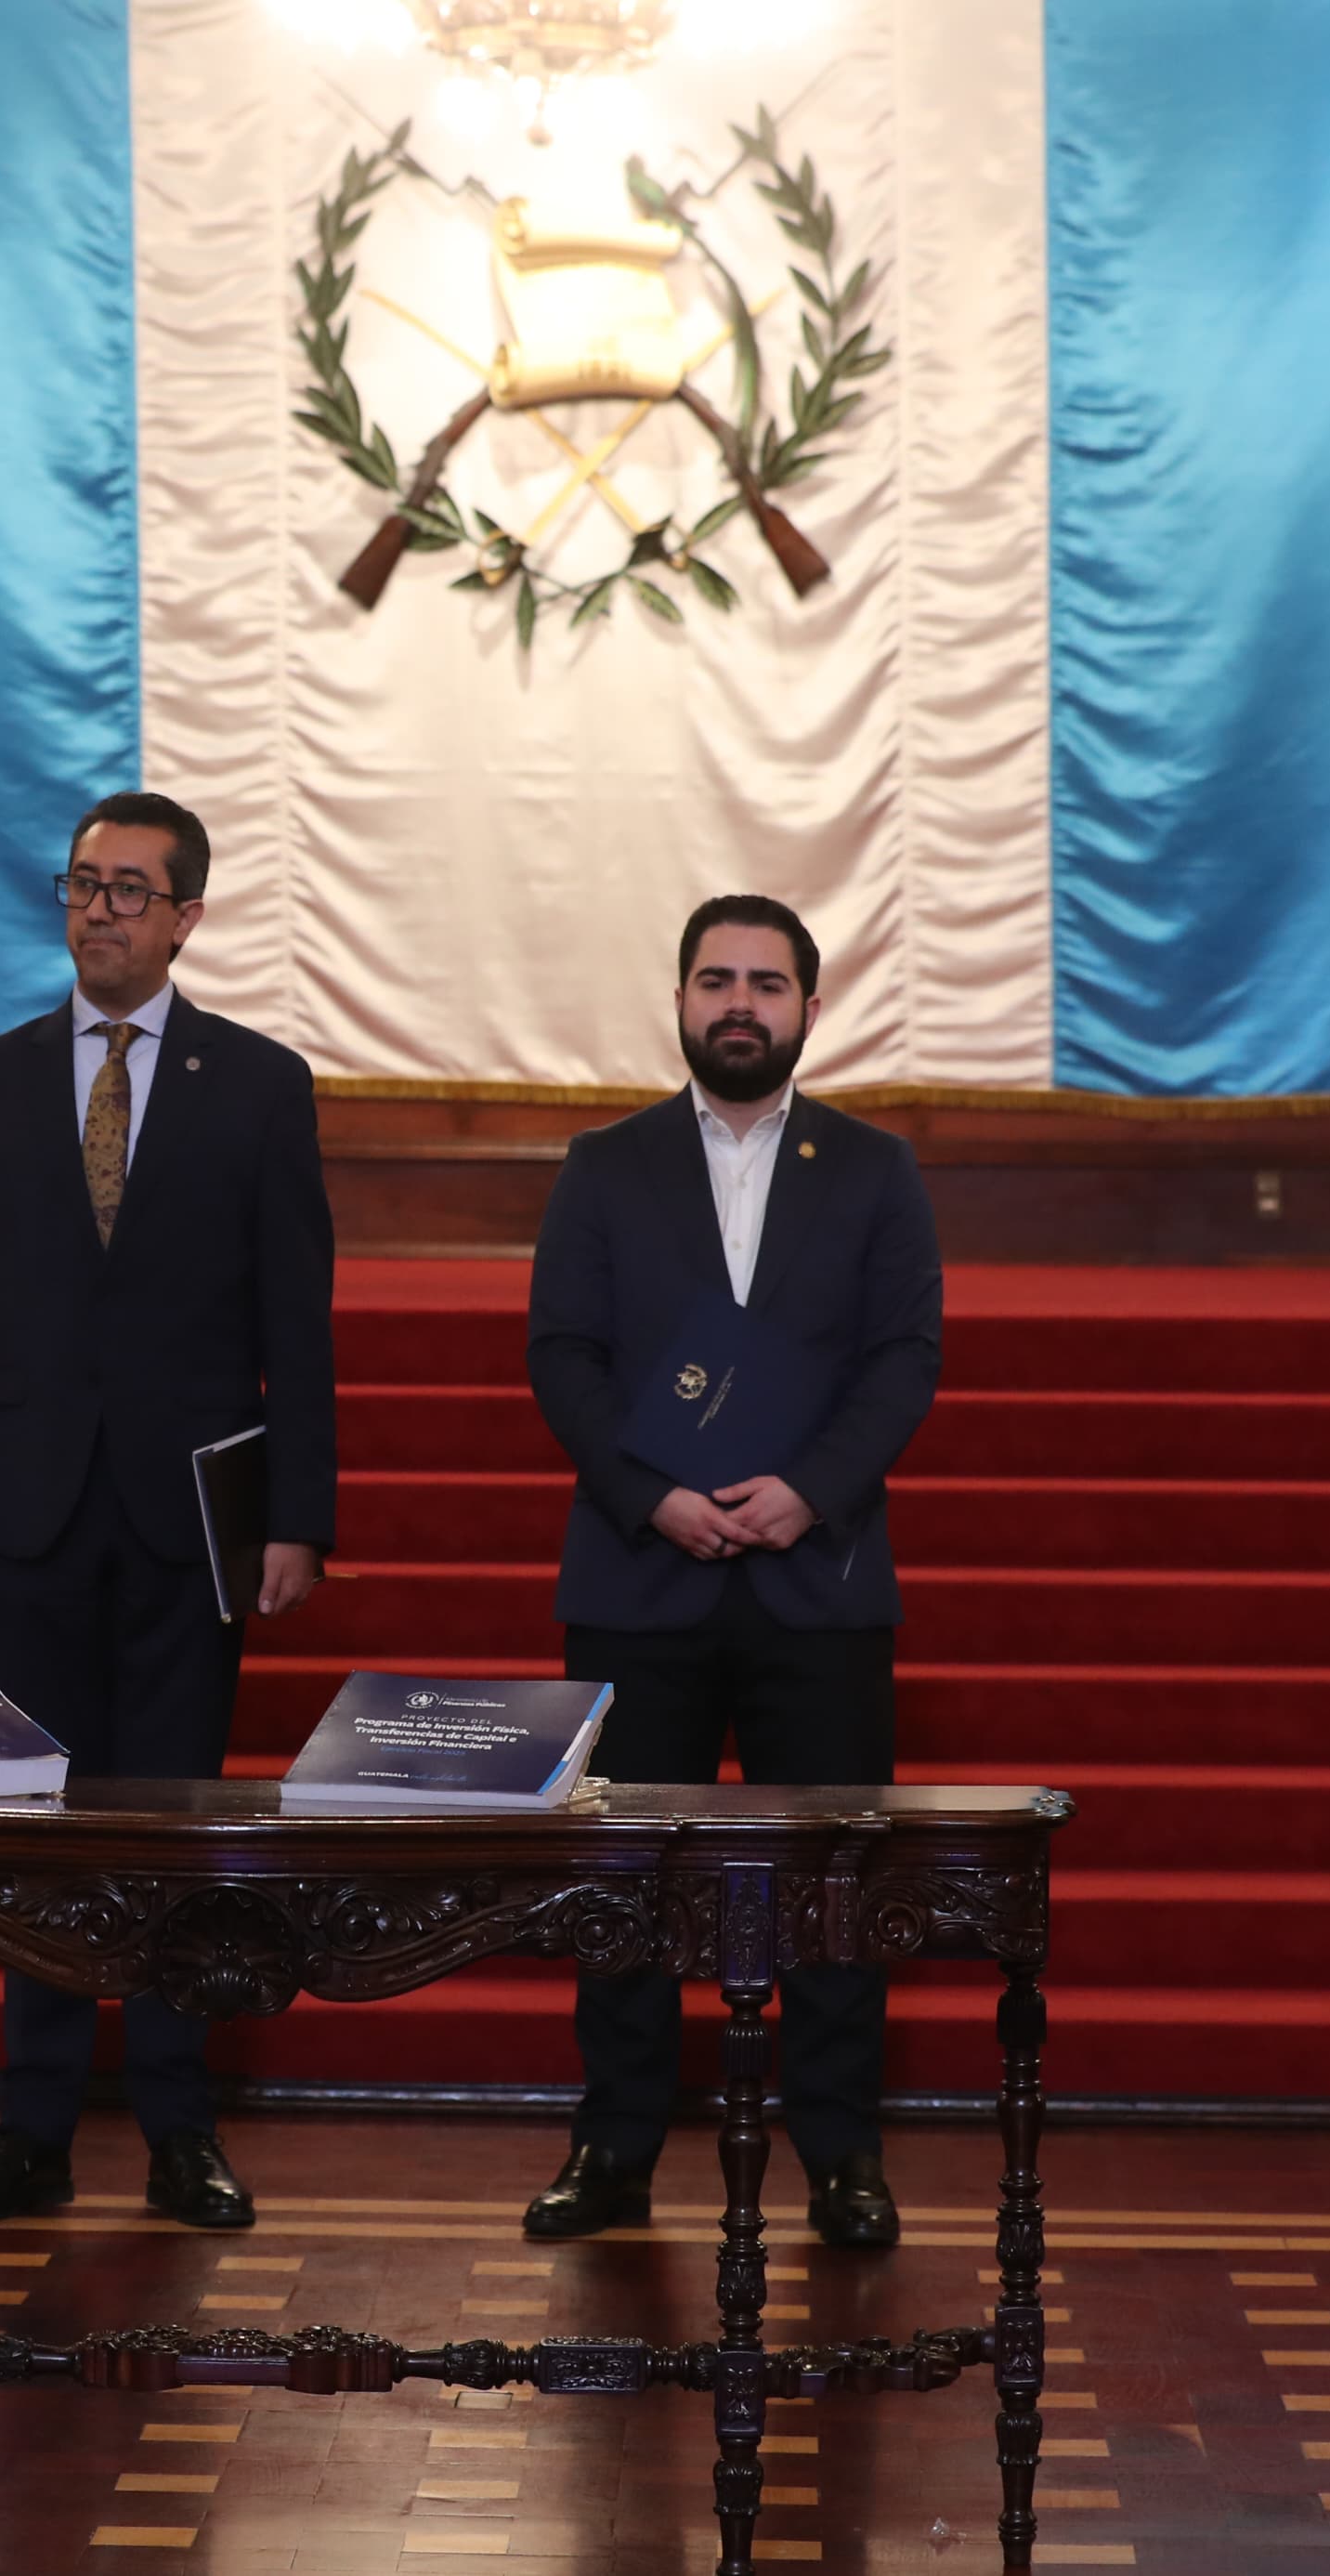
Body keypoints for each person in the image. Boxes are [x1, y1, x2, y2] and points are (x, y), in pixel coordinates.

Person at [0, 791, 336, 2232]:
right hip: (27, 1517)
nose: (100, 909)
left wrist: (298, 1515)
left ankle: (176, 2129)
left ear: (188, 916)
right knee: (34, 1832)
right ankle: (29, 2130)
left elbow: (300, 1321)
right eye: (82, 884)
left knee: (170, 1831)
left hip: (188, 1524)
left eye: (131, 890)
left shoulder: (261, 1085)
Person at [518, 894, 943, 2250]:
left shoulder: (876, 1170)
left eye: (768, 981)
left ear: (812, 1007)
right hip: (642, 1576)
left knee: (833, 1879)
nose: (740, 1002)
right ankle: (615, 2146)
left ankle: (842, 2155)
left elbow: (904, 1360)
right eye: (716, 979)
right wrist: (655, 1497)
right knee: (623, 1880)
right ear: (683, 999)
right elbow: (563, 1356)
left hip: (817, 1578)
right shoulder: (604, 1163)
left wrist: (805, 1492)